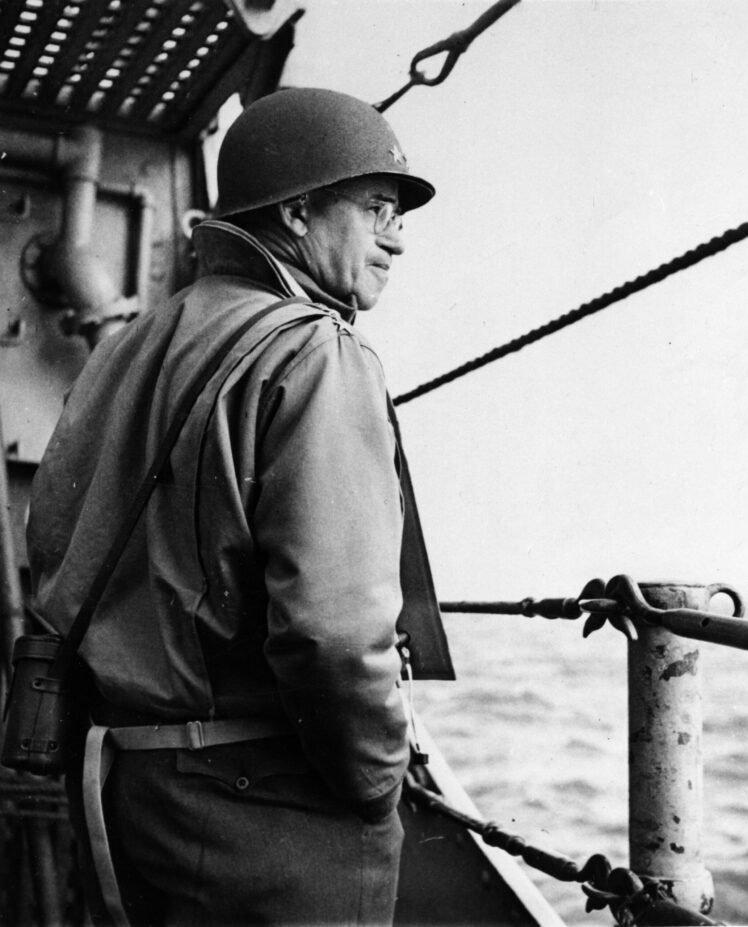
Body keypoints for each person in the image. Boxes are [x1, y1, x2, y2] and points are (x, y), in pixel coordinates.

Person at [26, 87, 452, 927]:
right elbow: (332, 630)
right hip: (263, 817)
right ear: (297, 213)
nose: (397, 237)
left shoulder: (127, 347)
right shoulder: (315, 350)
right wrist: (375, 787)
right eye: (375, 209)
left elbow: (49, 542)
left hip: (127, 790)